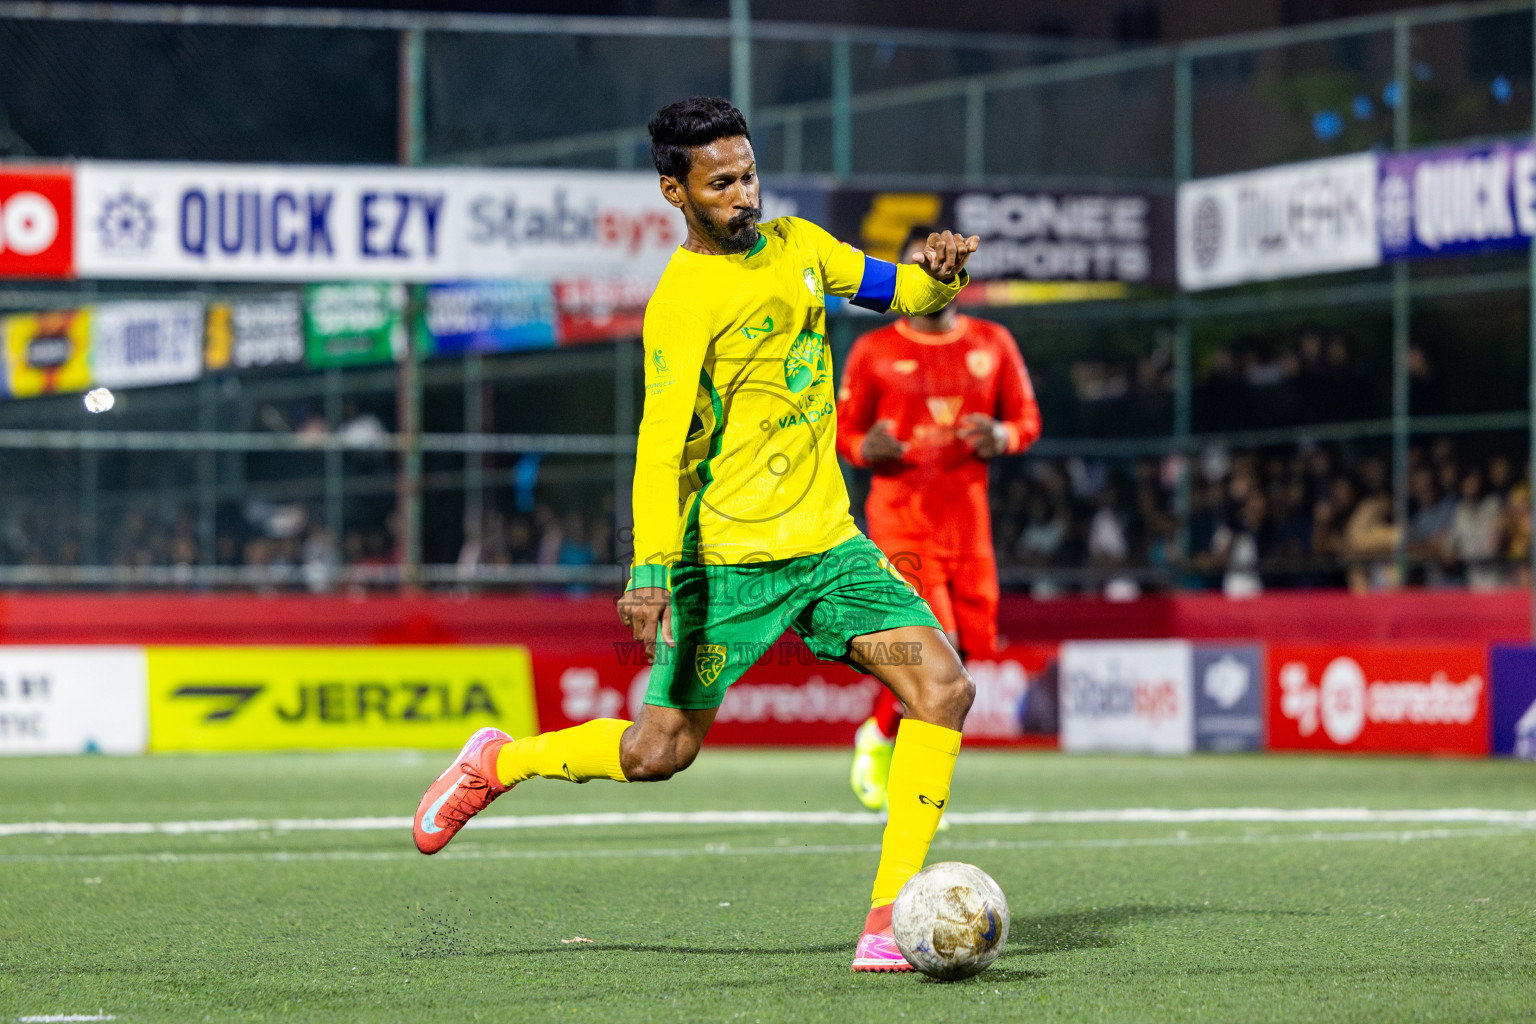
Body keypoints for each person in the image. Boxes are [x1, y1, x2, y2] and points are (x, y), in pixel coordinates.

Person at [411, 96, 981, 974]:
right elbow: (659, 440)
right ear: (675, 191)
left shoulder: (801, 248)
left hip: (831, 550)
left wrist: (939, 275)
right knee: (657, 753)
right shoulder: (681, 303)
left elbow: (898, 290)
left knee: (941, 688)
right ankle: (502, 762)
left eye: (749, 174)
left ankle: (887, 920)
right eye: (722, 183)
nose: (744, 195)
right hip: (725, 568)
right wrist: (649, 567)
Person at [835, 226, 1040, 815]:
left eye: (943, 266)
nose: (935, 275)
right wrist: (861, 447)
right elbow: (845, 434)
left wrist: (1003, 434)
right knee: (939, 644)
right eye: (923, 267)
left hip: (968, 525)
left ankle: (879, 732)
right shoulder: (873, 351)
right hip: (901, 520)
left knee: (967, 656)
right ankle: (910, 783)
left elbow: (1027, 419)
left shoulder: (993, 341)